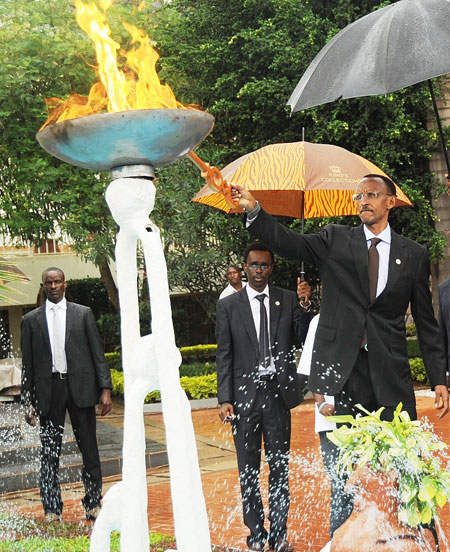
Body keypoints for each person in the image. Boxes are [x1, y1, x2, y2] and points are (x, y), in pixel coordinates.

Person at [232, 175, 449, 532]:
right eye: (359, 196)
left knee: (406, 471)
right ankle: (342, 538)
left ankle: (417, 538)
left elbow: (427, 323)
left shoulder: (414, 254)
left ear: (389, 202)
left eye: (372, 195)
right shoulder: (334, 239)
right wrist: (255, 209)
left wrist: (438, 379)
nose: (363, 201)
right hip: (341, 377)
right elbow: (290, 243)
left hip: (390, 375)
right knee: (344, 479)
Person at [216, 242, 312, 552]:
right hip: (243, 398)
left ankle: (279, 534)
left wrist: (305, 304)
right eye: (254, 265)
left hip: (278, 395)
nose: (259, 271)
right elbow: (224, 354)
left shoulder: (286, 299)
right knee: (248, 468)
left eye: (265, 266)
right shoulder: (229, 305)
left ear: (272, 268)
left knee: (279, 466)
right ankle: (256, 533)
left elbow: (303, 336)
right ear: (245, 268)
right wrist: (224, 397)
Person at [21, 267, 112, 522]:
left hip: (81, 389)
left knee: (90, 450)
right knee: (50, 452)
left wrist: (105, 389)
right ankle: (51, 508)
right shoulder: (31, 320)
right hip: (49, 391)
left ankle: (93, 503)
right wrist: (27, 400)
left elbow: (98, 354)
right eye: (48, 282)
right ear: (43, 286)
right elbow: (27, 365)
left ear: (65, 284)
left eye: (57, 281)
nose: (53, 286)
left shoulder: (82, 314)